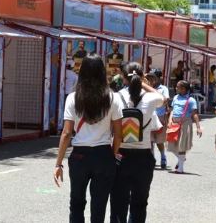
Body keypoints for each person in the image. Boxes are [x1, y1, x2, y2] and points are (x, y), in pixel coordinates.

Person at [54, 54, 122, 223]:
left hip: (79, 156)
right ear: (102, 71)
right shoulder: (113, 98)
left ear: (82, 71)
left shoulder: (73, 98)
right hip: (104, 155)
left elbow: (67, 133)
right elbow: (119, 134)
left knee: (76, 203)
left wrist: (58, 163)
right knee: (99, 207)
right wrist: (112, 155)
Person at [110, 63, 163, 223]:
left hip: (121, 154)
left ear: (123, 78)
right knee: (140, 203)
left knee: (119, 202)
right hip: (143, 157)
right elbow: (163, 98)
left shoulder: (115, 97)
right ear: (141, 77)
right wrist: (144, 83)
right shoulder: (151, 98)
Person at [167, 80, 202, 174]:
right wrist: (169, 120)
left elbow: (195, 114)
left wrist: (198, 127)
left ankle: (180, 168)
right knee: (170, 144)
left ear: (183, 89)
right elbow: (172, 110)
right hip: (174, 123)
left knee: (182, 145)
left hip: (185, 123)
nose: (176, 88)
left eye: (177, 87)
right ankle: (181, 158)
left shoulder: (191, 100)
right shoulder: (175, 97)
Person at [150, 70, 170, 170]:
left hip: (160, 116)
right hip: (149, 116)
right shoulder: (147, 87)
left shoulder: (163, 88)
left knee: (159, 140)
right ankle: (152, 159)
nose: (152, 79)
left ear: (159, 78)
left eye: (154, 77)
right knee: (150, 140)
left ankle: (163, 157)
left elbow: (165, 99)